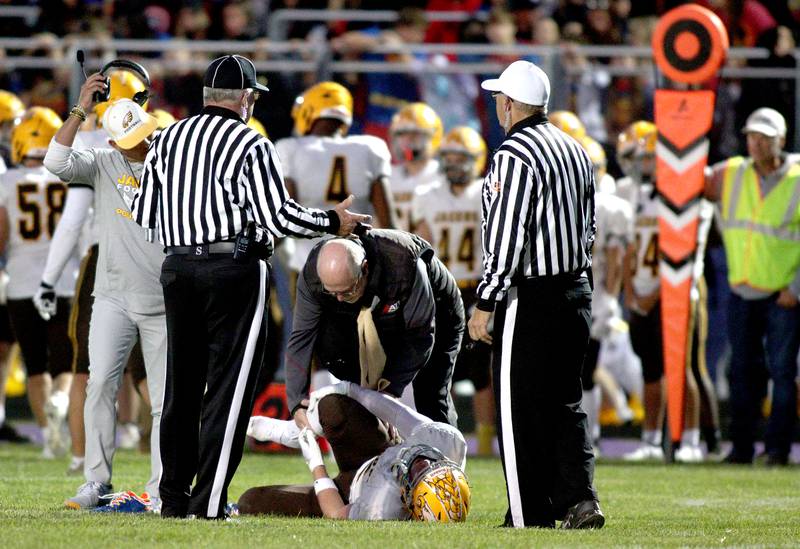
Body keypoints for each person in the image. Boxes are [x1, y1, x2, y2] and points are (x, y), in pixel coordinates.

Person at [130, 54, 370, 520]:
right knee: (230, 390)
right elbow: (277, 216)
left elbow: (145, 215)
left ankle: (173, 497)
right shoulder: (248, 142)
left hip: (178, 268)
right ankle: (209, 501)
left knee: (181, 389)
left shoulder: (166, 138)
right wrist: (332, 221)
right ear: (245, 99)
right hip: (233, 270)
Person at [467, 60, 603, 529]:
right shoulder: (576, 149)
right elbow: (588, 227)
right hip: (576, 289)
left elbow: (507, 233)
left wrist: (487, 300)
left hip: (531, 296)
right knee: (565, 403)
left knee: (519, 407)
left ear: (509, 103)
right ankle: (579, 499)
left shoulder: (514, 155)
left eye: (498, 99)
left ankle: (529, 511)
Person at [44, 82, 168, 512]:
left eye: (146, 134)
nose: (144, 145)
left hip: (163, 298)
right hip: (112, 295)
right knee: (99, 385)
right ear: (114, 141)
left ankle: (159, 487)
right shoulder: (102, 161)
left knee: (165, 399)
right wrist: (79, 109)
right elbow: (54, 159)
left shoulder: (171, 161)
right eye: (132, 141)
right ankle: (95, 481)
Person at [286, 230, 464, 428]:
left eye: (347, 290)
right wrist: (296, 401)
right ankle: (372, 453)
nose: (339, 298)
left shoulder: (403, 262)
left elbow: (419, 336)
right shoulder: (312, 278)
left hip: (437, 310)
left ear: (365, 268)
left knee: (429, 391)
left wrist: (389, 392)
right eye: (332, 292)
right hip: (376, 312)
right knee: (344, 369)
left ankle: (445, 453)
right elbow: (302, 337)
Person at [705, 107, 800, 466]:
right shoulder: (732, 172)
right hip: (743, 289)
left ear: (781, 139)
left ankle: (777, 449)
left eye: (764, 137)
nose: (755, 143)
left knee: (782, 372)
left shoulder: (797, 176)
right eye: (750, 136)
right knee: (742, 371)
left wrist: (796, 287)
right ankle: (742, 448)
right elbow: (689, 180)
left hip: (783, 294)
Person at [240, 381, 470, 521]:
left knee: (250, 501)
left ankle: (299, 437)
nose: (422, 462)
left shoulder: (384, 507)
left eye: (418, 474)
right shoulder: (448, 443)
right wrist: (349, 389)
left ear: (409, 497)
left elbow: (337, 514)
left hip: (349, 492)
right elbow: (396, 413)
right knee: (332, 406)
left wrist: (316, 464)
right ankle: (292, 431)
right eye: (433, 463)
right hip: (377, 449)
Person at [617, 121, 706, 463]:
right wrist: (630, 293)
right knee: (650, 372)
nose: (639, 166)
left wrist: (654, 293)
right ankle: (652, 440)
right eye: (633, 159)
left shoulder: (678, 193)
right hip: (639, 293)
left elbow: (683, 250)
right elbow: (624, 250)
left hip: (673, 293)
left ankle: (692, 441)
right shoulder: (626, 193)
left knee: (680, 371)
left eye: (646, 159)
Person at [412, 126, 495, 455]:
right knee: (434, 366)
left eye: (462, 158)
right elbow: (422, 241)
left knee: (481, 370)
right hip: (442, 289)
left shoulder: (486, 192)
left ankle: (486, 441)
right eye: (449, 157)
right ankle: (433, 433)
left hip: (477, 288)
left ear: (476, 160)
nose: (455, 164)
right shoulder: (427, 194)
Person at [0, 106, 76, 459]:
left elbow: (1, 237)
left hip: (22, 284)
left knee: (35, 365)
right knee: (65, 365)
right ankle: (60, 400)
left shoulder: (7, 182)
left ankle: (49, 438)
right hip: (63, 282)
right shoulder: (70, 178)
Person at [276, 80, 395, 277]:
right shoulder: (371, 148)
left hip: (309, 266)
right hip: (359, 265)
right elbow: (388, 224)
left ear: (309, 111)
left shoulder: (290, 149)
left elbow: (284, 219)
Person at [387, 103, 443, 232]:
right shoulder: (388, 176)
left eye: (415, 134)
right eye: (401, 134)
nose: (407, 140)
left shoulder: (442, 177)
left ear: (433, 136)